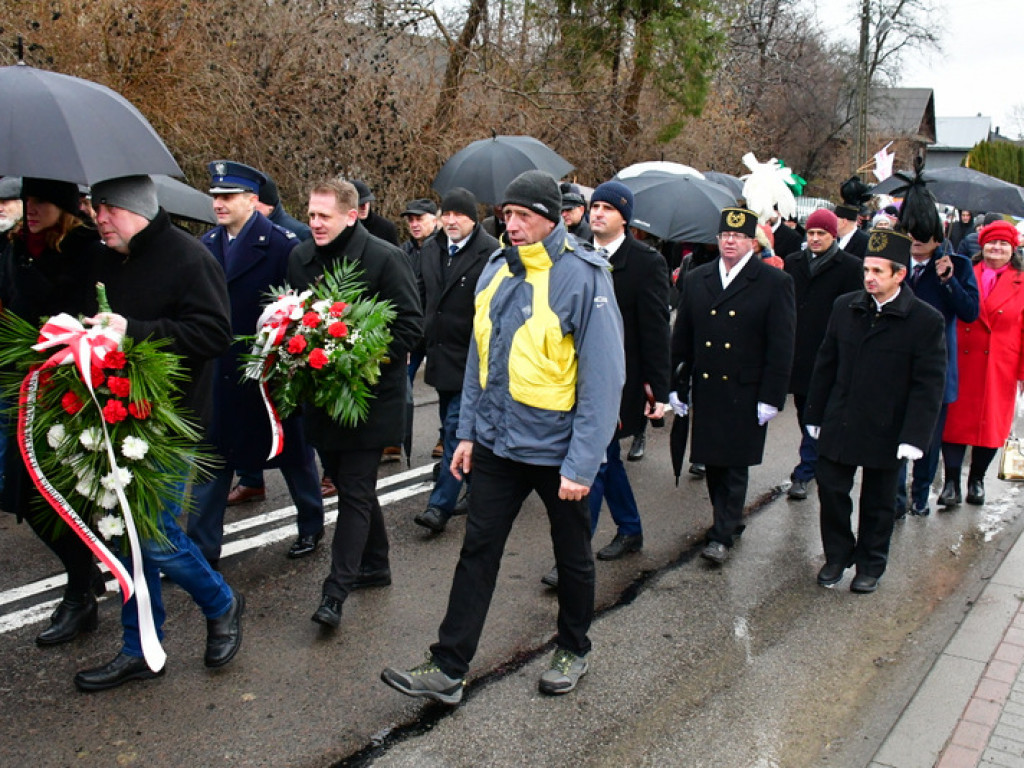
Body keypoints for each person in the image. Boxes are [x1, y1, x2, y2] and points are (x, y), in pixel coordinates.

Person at [382, 170, 625, 704]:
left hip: (557, 450)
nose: (511, 225)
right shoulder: (495, 267)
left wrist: (582, 465)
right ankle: (448, 666)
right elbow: (479, 359)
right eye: (506, 215)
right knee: (477, 551)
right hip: (496, 444)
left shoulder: (585, 276)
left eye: (523, 216)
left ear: (551, 217)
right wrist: (466, 432)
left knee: (572, 555)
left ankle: (573, 649)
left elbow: (604, 381)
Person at [74, 175, 243, 691]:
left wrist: (135, 332)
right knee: (126, 540)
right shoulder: (107, 257)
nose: (98, 219)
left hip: (170, 424)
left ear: (138, 210)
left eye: (108, 209)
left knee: (158, 540)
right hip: (112, 418)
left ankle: (221, 601)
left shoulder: (189, 258)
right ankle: (140, 646)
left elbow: (214, 333)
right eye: (95, 209)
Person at [289, 178, 422, 629]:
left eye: (324, 215)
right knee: (349, 484)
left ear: (353, 214)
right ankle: (376, 564)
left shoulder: (385, 257)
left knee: (357, 488)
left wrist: (357, 357)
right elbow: (294, 319)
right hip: (322, 397)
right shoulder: (300, 258)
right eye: (311, 214)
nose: (315, 223)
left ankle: (335, 591)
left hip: (369, 396)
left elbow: (409, 327)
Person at [188, 161, 325, 568]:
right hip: (219, 375)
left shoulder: (282, 246)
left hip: (266, 374)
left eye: (228, 196)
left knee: (294, 455)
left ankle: (311, 525)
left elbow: (303, 309)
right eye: (215, 197)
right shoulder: (205, 245)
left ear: (252, 200)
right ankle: (200, 550)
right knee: (212, 463)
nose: (219, 204)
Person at [805, 228, 946, 593]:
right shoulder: (846, 306)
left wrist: (915, 436)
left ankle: (870, 563)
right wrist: (815, 414)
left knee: (879, 501)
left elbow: (928, 384)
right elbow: (826, 364)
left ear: (899, 274)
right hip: (842, 417)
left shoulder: (925, 321)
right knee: (832, 489)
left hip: (887, 425)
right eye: (866, 270)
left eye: (878, 271)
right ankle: (837, 555)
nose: (869, 278)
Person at [0, 177, 106, 647]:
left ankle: (79, 594)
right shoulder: (14, 245)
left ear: (63, 207)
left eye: (41, 200)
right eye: (27, 200)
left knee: (62, 496)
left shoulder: (85, 247)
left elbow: (88, 312)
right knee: (23, 495)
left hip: (68, 387)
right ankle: (83, 576)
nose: (31, 208)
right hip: (21, 385)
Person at [669, 206, 796, 565]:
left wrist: (772, 395)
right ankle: (726, 521)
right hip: (708, 386)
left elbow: (781, 344)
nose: (730, 242)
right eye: (725, 235)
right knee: (712, 460)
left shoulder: (773, 282)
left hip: (746, 388)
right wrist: (676, 385)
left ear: (753, 243)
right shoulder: (698, 279)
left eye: (738, 236)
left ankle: (723, 532)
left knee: (735, 463)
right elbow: (683, 336)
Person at [581, 181, 669, 562]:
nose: (597, 212)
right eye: (594, 205)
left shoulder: (646, 262)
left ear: (624, 218)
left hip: (622, 381)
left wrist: (659, 392)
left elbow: (655, 330)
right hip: (581, 377)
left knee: (594, 459)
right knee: (607, 458)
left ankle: (573, 551)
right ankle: (630, 528)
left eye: (608, 208)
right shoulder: (578, 254)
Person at [413, 188, 498, 533]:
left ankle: (439, 506)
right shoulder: (431, 250)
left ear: (473, 219)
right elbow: (422, 296)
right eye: (446, 214)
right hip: (440, 357)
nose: (450, 221)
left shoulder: (491, 253)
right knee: (459, 428)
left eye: (458, 215)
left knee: (455, 430)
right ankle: (477, 489)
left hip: (472, 358)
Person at [897, 220, 979, 516]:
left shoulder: (957, 264)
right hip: (897, 363)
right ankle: (895, 498)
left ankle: (920, 495)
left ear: (938, 236)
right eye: (911, 234)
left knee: (928, 439)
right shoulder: (895, 261)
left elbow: (970, 312)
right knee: (894, 432)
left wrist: (949, 281)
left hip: (936, 366)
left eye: (924, 235)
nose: (916, 240)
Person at [940, 220, 1024, 507]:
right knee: (953, 422)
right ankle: (951, 482)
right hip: (960, 358)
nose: (997, 248)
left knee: (990, 426)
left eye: (1003, 244)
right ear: (981, 245)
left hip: (1000, 363)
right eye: (992, 242)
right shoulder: (964, 272)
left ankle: (976, 479)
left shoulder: (1022, 282)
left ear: (1013, 249)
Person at [783, 208, 863, 500]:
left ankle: (806, 469)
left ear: (833, 235)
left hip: (829, 352)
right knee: (804, 410)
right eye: (811, 233)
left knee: (818, 410)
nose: (815, 239)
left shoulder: (850, 267)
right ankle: (815, 457)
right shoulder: (794, 262)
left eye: (822, 234)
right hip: (798, 350)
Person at [254, 172, 312, 241]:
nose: (249, 206)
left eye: (253, 201)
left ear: (269, 205)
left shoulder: (300, 233)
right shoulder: (244, 229)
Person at [352, 179, 399, 246]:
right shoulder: (340, 228)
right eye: (360, 204)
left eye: (366, 202)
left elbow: (396, 255)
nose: (364, 208)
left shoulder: (386, 228)